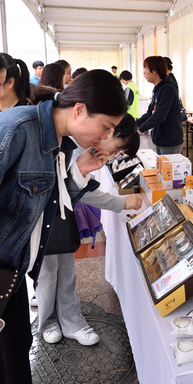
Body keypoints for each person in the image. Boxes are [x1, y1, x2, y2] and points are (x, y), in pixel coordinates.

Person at [0, 69, 127, 383]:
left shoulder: (58, 141)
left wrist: (79, 171)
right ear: (80, 110)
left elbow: (49, 200)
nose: (105, 137)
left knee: (17, 351)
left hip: (9, 270)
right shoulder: (18, 131)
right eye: (106, 127)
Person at [37, 114, 142, 347]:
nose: (114, 153)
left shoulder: (86, 147)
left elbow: (78, 187)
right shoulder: (71, 142)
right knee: (46, 274)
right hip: (41, 218)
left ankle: (71, 321)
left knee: (66, 271)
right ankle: (48, 322)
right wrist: (120, 203)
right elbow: (84, 191)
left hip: (61, 216)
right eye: (117, 148)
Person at [137, 56, 183, 155]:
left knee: (168, 165)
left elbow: (160, 115)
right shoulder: (158, 88)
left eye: (146, 68)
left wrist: (140, 130)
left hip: (170, 141)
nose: (144, 72)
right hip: (160, 139)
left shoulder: (168, 88)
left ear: (154, 71)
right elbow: (150, 113)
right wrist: (135, 124)